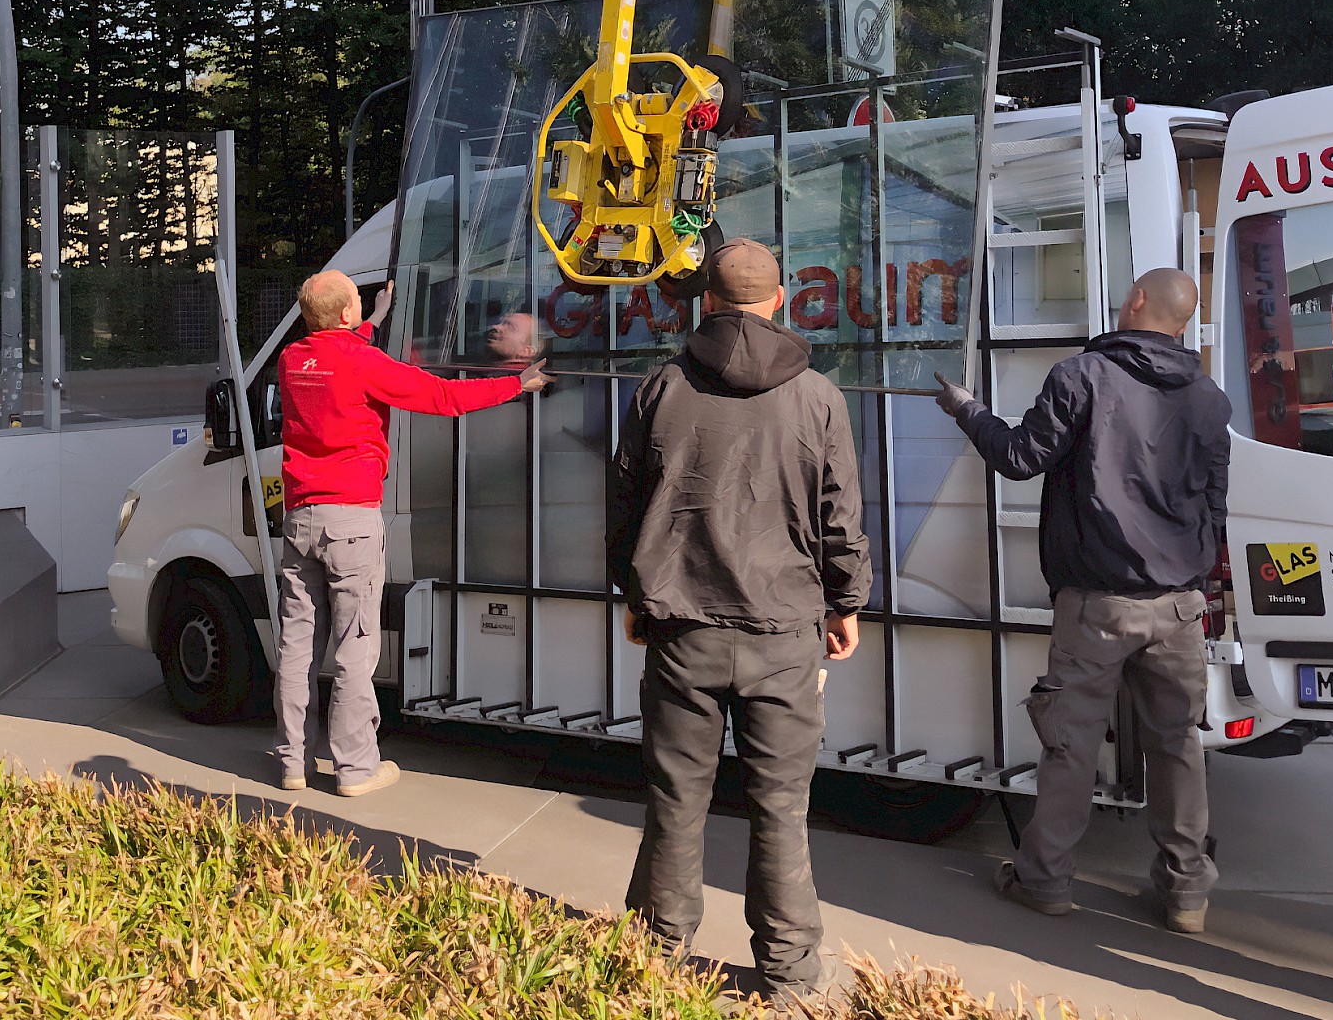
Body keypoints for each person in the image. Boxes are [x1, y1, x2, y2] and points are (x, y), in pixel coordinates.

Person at [608, 237, 872, 1002]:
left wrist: (633, 596)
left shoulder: (661, 386)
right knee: (781, 809)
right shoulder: (818, 396)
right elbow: (838, 514)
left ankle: (654, 961)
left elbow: (624, 502)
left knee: (674, 799)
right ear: (780, 300)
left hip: (680, 626)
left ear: (708, 302)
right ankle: (788, 977)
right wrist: (845, 602)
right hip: (783, 629)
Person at [934, 267, 1230, 934]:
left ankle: (1044, 880)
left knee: (1070, 745)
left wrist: (966, 409)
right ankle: (1186, 893)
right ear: (1183, 322)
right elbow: (1215, 503)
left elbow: (1019, 457)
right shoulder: (1209, 398)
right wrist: (1194, 582)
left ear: (1135, 302)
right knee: (1178, 745)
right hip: (1180, 606)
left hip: (1098, 605)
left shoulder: (1082, 376)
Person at [275, 270, 551, 796]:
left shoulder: (293, 360)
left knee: (296, 648)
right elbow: (441, 396)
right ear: (346, 314)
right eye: (357, 302)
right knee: (355, 650)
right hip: (351, 522)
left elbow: (335, 347)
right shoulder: (363, 362)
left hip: (300, 519)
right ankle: (355, 768)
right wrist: (516, 384)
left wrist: (374, 319)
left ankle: (293, 763)